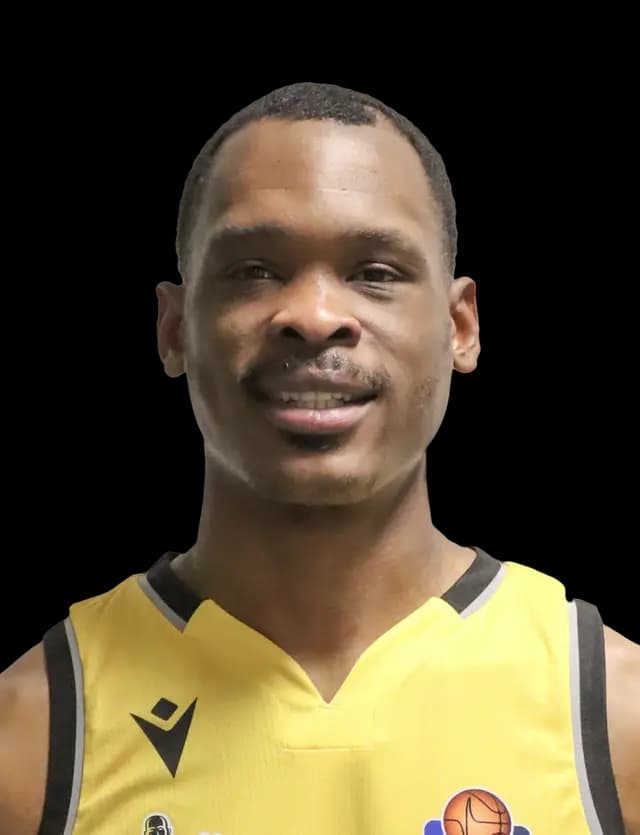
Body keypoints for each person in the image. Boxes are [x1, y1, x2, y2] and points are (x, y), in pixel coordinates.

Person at [0, 80, 637, 835]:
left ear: (460, 326)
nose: (314, 316)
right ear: (173, 330)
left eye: (375, 272)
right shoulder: (34, 732)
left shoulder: (613, 714)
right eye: (254, 270)